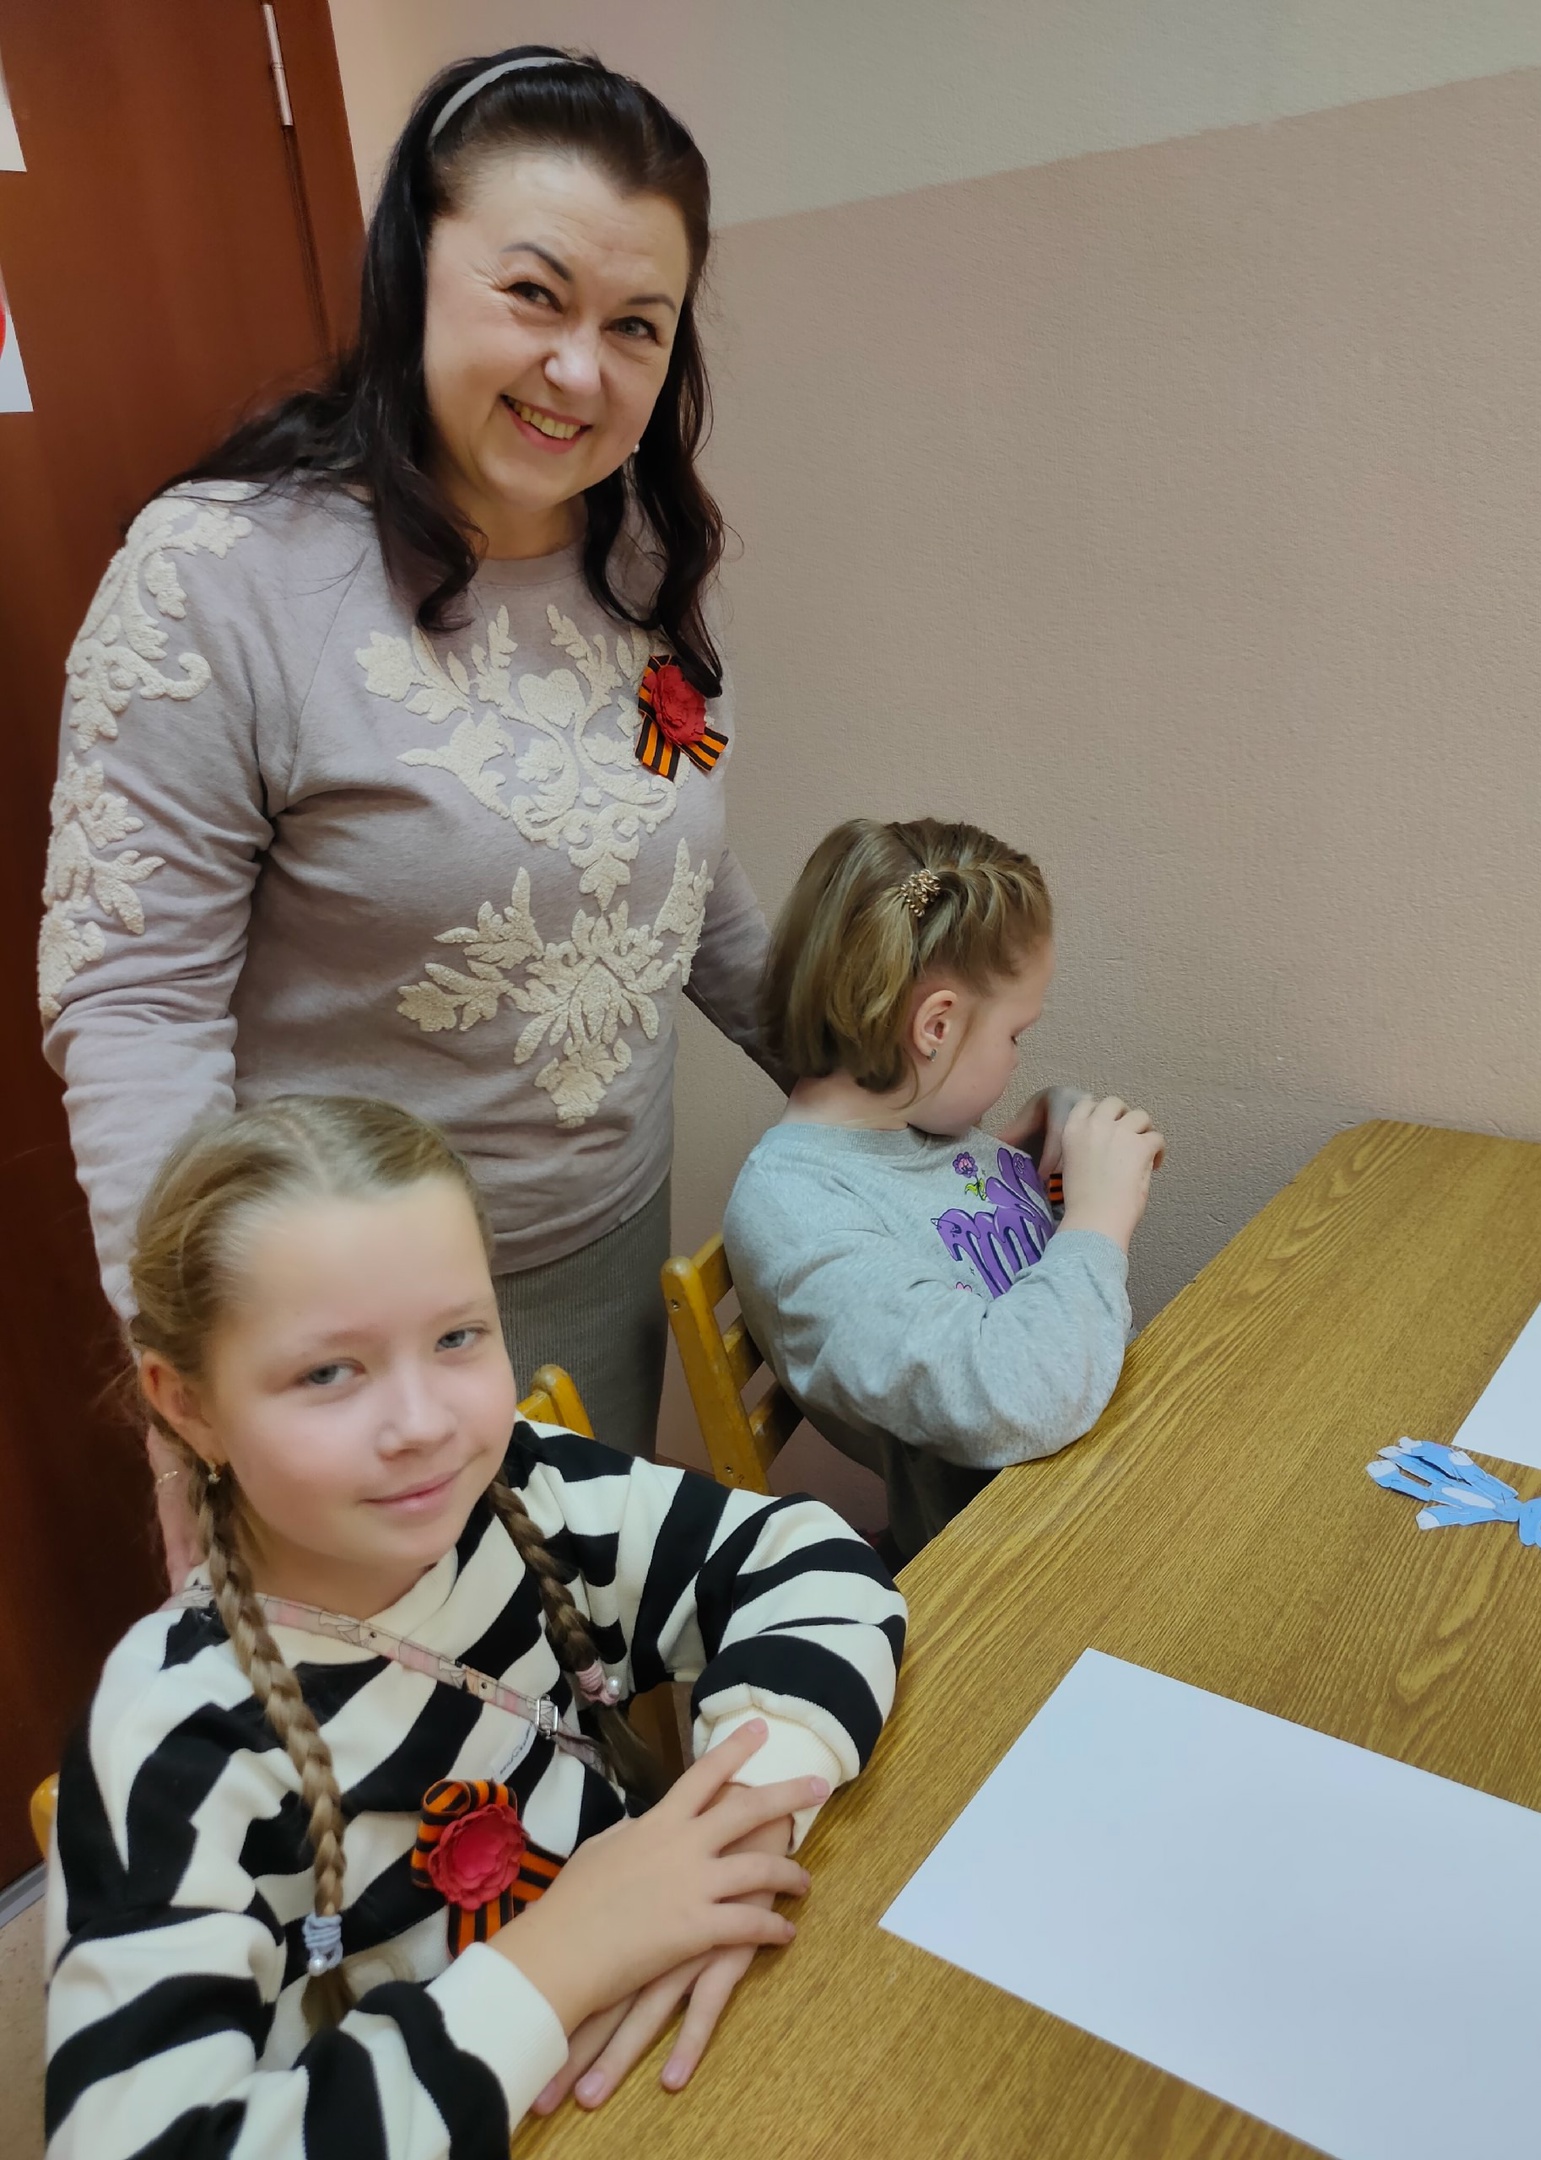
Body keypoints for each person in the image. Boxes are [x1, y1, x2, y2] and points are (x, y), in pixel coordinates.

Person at [38, 47, 779, 1520]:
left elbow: (681, 881)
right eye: (534, 295)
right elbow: (138, 1009)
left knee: (576, 1646)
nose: (581, 370)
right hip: (349, 1332)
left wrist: (880, 1071)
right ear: (409, 275)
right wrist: (201, 1385)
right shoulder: (221, 577)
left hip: (605, 1254)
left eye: (636, 326)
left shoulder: (637, 564)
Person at [43, 1096, 904, 2157]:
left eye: (457, 1336)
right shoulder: (172, 1739)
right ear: (188, 1406)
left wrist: (744, 1817)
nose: (422, 1424)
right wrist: (557, 1960)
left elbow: (811, 1559)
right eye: (327, 1372)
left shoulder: (526, 1490)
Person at [724, 818, 1164, 1562]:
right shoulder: (796, 1218)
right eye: (1015, 1035)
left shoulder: (912, 1118)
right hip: (1015, 1564)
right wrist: (1098, 1218)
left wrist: (1032, 1161)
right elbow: (1012, 1394)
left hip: (1104, 1470)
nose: (1017, 1056)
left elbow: (952, 1241)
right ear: (936, 1027)